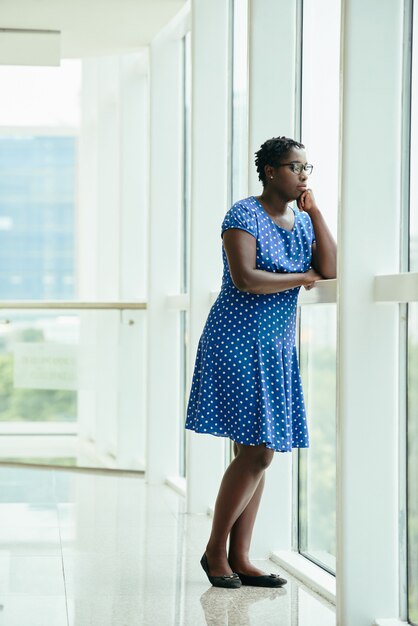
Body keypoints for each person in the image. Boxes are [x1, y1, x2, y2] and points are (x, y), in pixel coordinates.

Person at [185, 136, 337, 588]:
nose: (303, 174)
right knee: (258, 451)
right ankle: (216, 552)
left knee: (255, 451)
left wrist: (316, 212)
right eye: (295, 167)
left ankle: (240, 557)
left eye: (308, 167)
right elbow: (246, 278)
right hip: (235, 341)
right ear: (271, 171)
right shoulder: (243, 214)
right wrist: (300, 277)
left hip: (274, 347)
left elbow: (329, 269)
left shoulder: (302, 220)